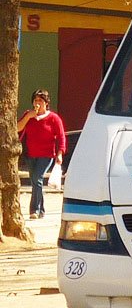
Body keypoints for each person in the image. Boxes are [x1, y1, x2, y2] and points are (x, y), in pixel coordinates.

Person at [17, 89, 66, 219]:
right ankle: (42, 211)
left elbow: (61, 136)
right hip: (30, 154)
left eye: (40, 100)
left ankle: (35, 210)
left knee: (38, 179)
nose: (37, 103)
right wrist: (28, 117)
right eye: (35, 100)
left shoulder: (53, 118)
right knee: (35, 182)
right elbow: (18, 128)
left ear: (46, 103)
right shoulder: (28, 115)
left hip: (47, 155)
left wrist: (60, 153)